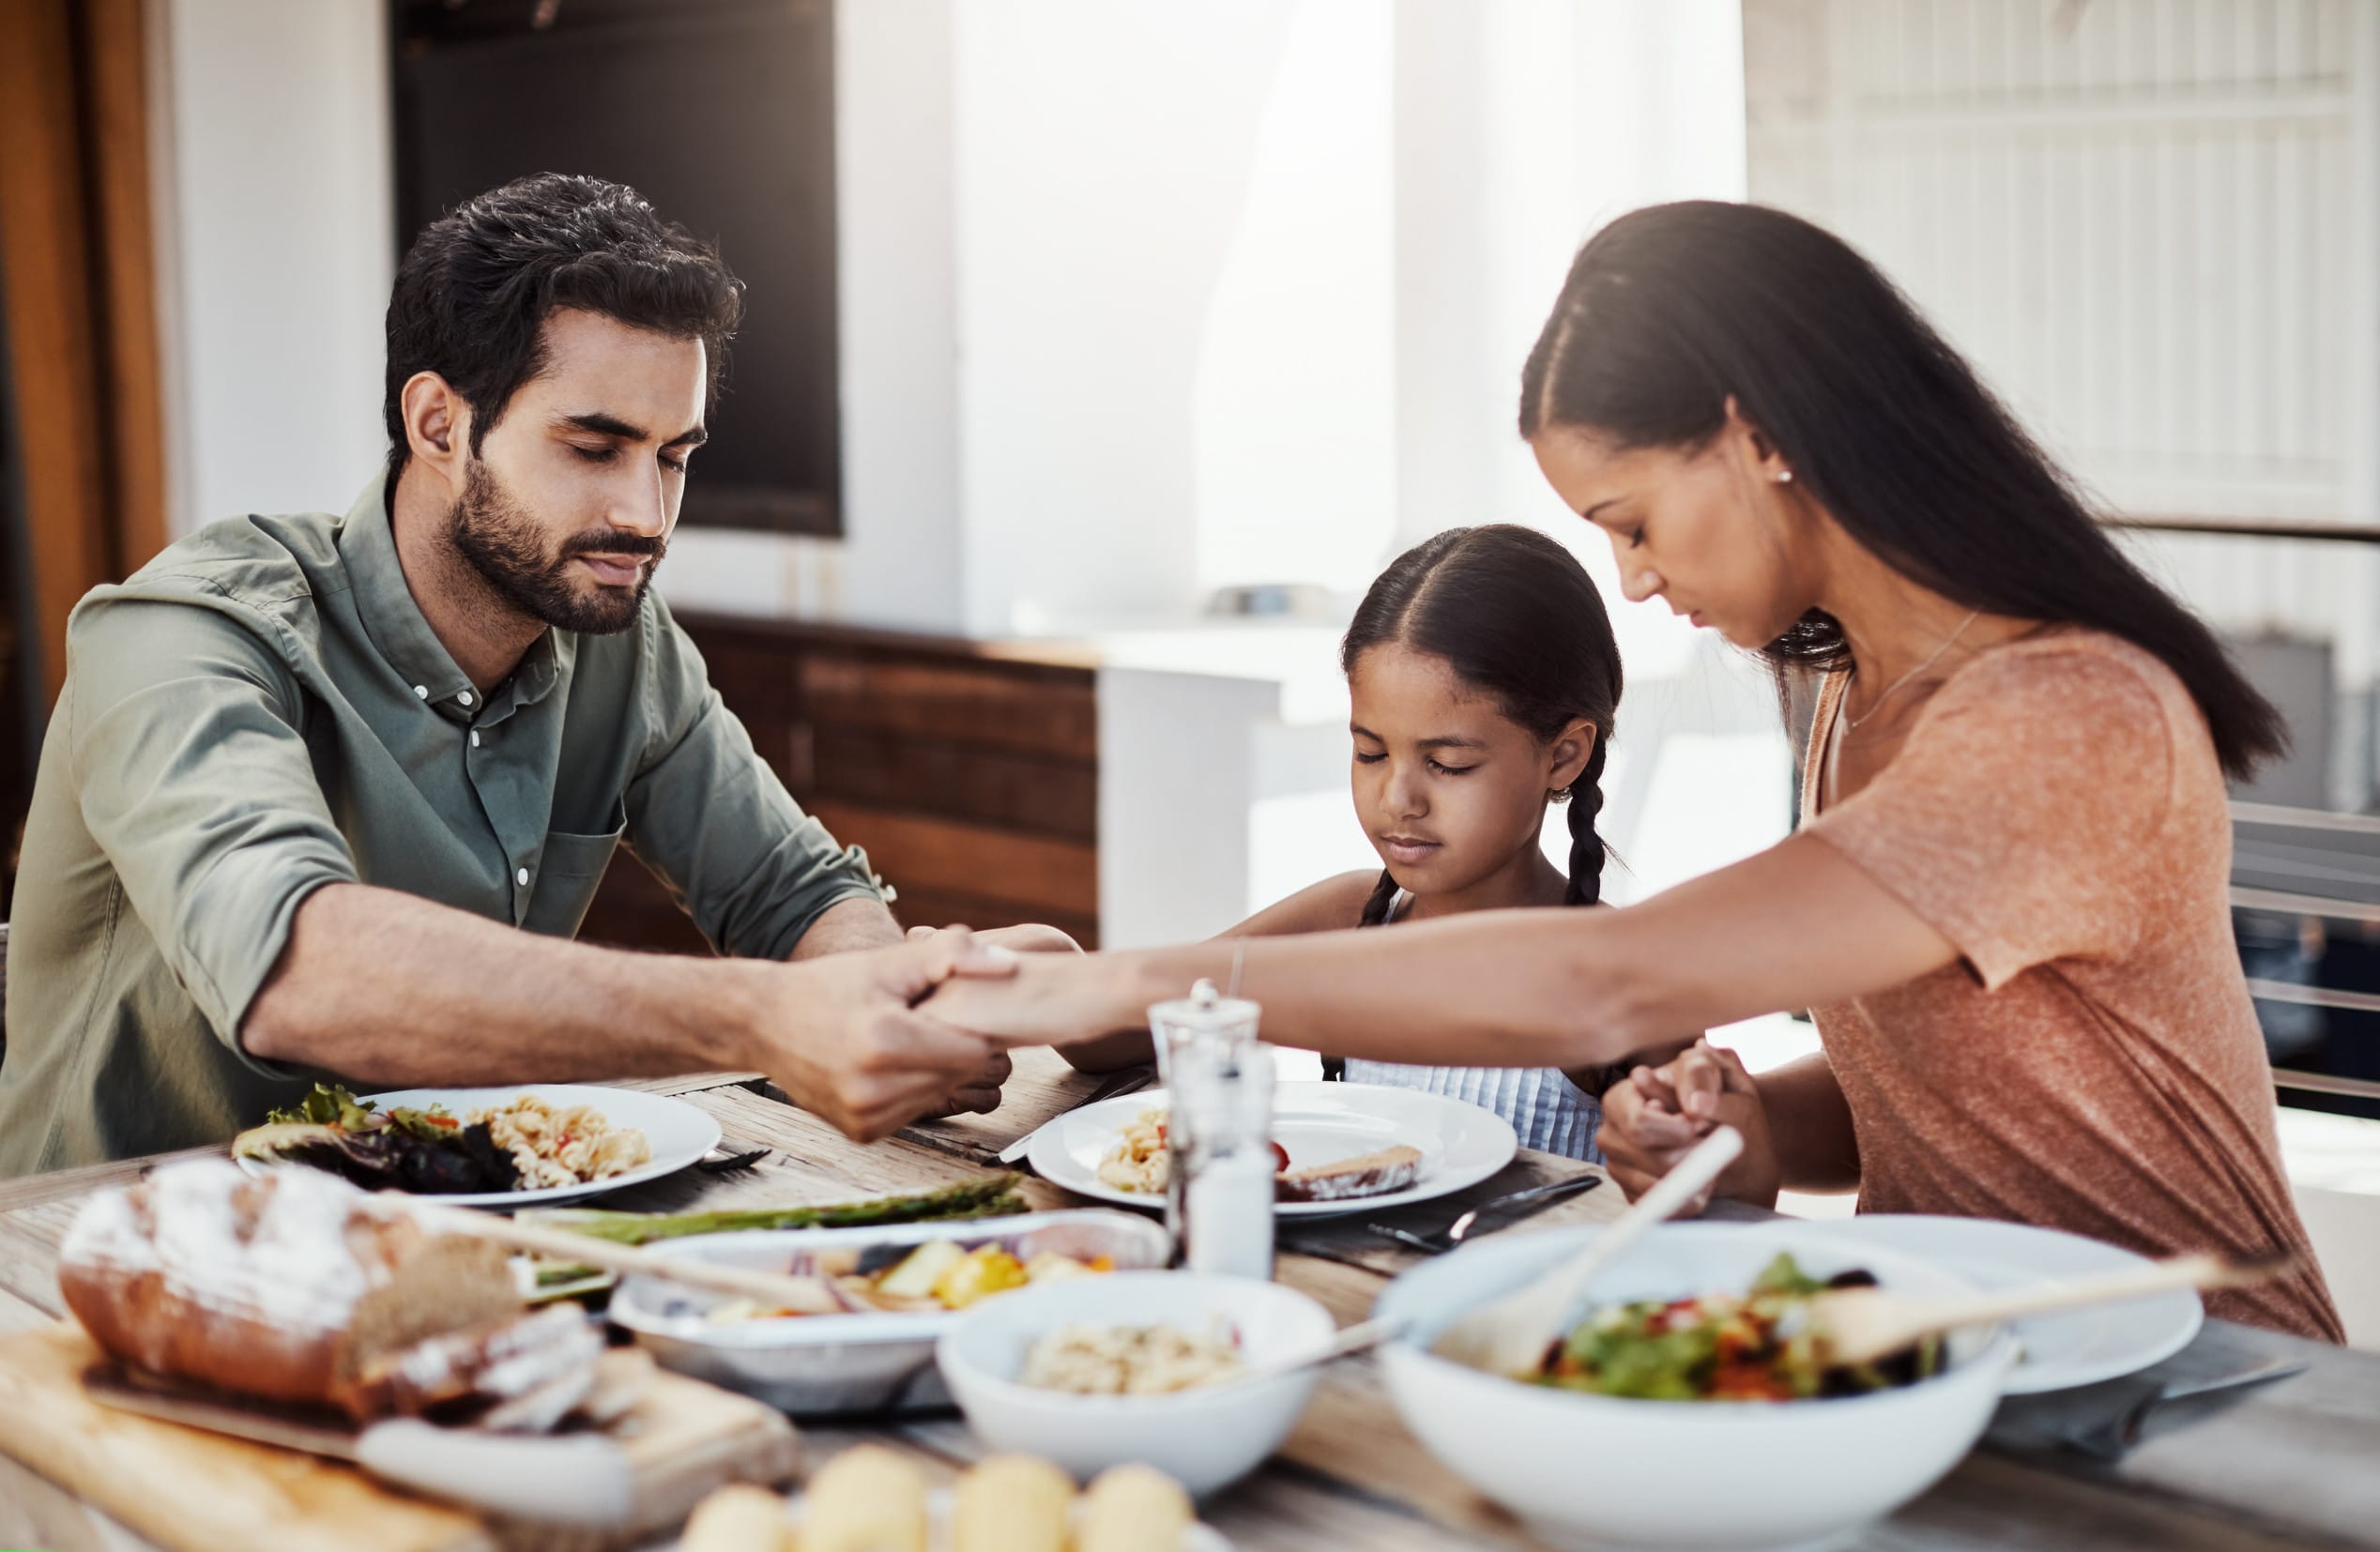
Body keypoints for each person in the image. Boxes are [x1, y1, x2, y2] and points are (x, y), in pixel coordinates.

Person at [928, 201, 2344, 1340]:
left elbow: (1604, 976)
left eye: (1635, 519)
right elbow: (1938, 1094)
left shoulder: (2066, 718)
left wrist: (1120, 983)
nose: (1637, 576)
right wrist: (1752, 1126)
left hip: (2202, 1383)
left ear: (1756, 434)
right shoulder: (1854, 698)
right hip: (1961, 1361)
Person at [0, 174, 1014, 1174]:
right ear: (439, 426)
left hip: (452, 1233)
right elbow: (300, 972)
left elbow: (792, 895)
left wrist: (914, 999)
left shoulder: (621, 639)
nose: (647, 516)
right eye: (593, 446)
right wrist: (767, 1018)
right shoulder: (183, 636)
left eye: (672, 457)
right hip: (88, 1254)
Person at [1061, 524, 1664, 1160]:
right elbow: (1112, 1037)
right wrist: (1041, 960)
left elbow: (1718, 1191)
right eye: (1370, 753)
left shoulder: (1622, 979)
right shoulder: (1348, 921)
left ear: (1564, 755)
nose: (1397, 799)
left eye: (1449, 763)